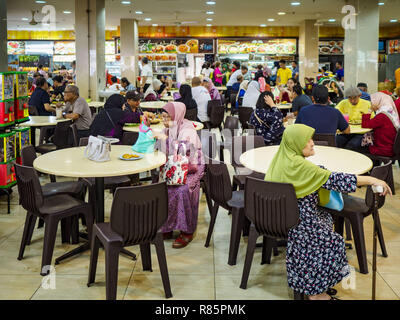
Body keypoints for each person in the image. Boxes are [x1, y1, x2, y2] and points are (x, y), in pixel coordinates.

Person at [265, 123, 391, 300]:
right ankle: (317, 294)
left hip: (282, 217)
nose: (312, 143)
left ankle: (314, 284)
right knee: (334, 241)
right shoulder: (304, 168)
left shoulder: (282, 160)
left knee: (325, 221)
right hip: (300, 222)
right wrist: (372, 179)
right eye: (307, 140)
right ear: (296, 143)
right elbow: (337, 180)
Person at [157, 102, 205, 248]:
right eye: (163, 117)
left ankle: (187, 230)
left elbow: (185, 151)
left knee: (182, 189)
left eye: (167, 117)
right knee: (161, 186)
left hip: (193, 167)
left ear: (176, 116)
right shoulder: (169, 128)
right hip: (176, 166)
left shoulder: (187, 130)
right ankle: (168, 226)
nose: (164, 120)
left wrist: (165, 140)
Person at [361, 92, 400, 157]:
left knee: (358, 146)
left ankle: (371, 166)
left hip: (384, 149)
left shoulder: (382, 115)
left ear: (378, 101)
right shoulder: (390, 111)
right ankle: (377, 165)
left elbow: (365, 125)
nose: (372, 103)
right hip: (392, 147)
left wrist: (370, 110)